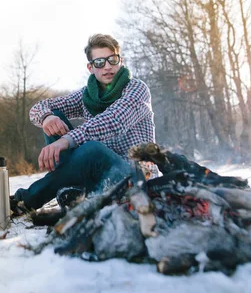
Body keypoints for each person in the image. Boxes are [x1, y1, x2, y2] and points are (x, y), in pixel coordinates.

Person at [12, 34, 156, 213]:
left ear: (121, 60)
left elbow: (114, 121)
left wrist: (67, 140)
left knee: (92, 149)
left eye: (112, 60)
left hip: (134, 175)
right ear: (91, 67)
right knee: (54, 116)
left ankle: (26, 200)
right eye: (100, 63)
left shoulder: (137, 89)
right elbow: (40, 107)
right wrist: (46, 117)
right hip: (96, 176)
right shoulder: (87, 95)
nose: (108, 67)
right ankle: (76, 192)